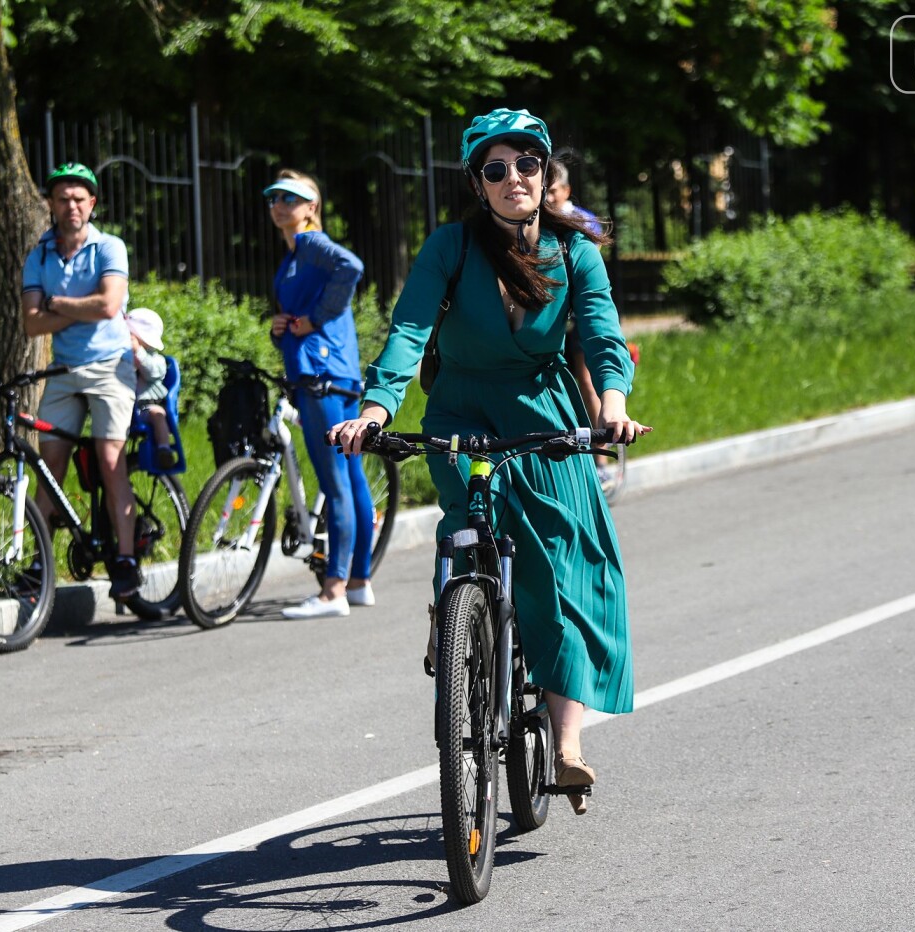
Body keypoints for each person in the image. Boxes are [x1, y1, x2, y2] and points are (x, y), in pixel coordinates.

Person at [330, 109, 650, 813]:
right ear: (478, 183)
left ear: (545, 175)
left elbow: (600, 336)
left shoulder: (575, 252)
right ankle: (460, 613)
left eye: (527, 165)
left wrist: (613, 406)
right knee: (471, 527)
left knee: (566, 569)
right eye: (497, 170)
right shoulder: (451, 247)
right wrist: (377, 409)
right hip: (461, 411)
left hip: (543, 413)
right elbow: (410, 328)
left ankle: (567, 747)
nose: (515, 179)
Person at [21, 162, 141, 600]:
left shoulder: (110, 247)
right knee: (49, 469)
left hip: (110, 367)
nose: (71, 205)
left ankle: (125, 560)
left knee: (110, 462)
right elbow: (32, 325)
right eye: (62, 199)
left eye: (79, 198)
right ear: (51, 206)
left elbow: (110, 306)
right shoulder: (40, 255)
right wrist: (77, 307)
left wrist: (57, 303)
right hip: (65, 371)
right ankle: (38, 564)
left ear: (92, 204)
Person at [263, 169, 376, 619]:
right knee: (351, 479)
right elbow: (295, 324)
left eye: (292, 197)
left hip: (323, 378)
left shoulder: (310, 245)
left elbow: (353, 267)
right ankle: (359, 581)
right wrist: (282, 330)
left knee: (335, 482)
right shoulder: (293, 256)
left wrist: (315, 318)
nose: (280, 204)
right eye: (274, 197)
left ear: (312, 207)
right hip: (332, 374)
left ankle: (333, 591)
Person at [546, 157, 610, 474]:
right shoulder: (536, 223)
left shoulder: (583, 220)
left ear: (567, 190)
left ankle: (601, 459)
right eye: (545, 190)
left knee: (586, 381)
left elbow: (586, 271)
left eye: (554, 191)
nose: (548, 197)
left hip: (578, 314)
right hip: (553, 317)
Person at [125, 307, 176, 471]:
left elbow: (150, 372)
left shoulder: (158, 360)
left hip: (147, 406)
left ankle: (164, 450)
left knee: (158, 415)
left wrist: (138, 352)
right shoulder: (126, 357)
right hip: (128, 407)